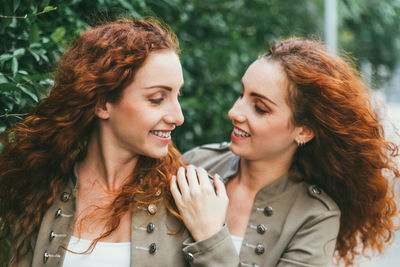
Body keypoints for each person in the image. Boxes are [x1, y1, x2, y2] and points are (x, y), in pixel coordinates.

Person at [171, 38, 400, 267]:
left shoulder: (316, 216)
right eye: (242, 95)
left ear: (304, 131)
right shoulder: (195, 165)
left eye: (260, 108)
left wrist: (210, 235)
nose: (234, 112)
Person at [0, 18, 192, 267]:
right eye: (157, 99)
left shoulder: (188, 199)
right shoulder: (39, 189)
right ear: (102, 103)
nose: (178, 117)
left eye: (178, 95)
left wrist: (212, 238)